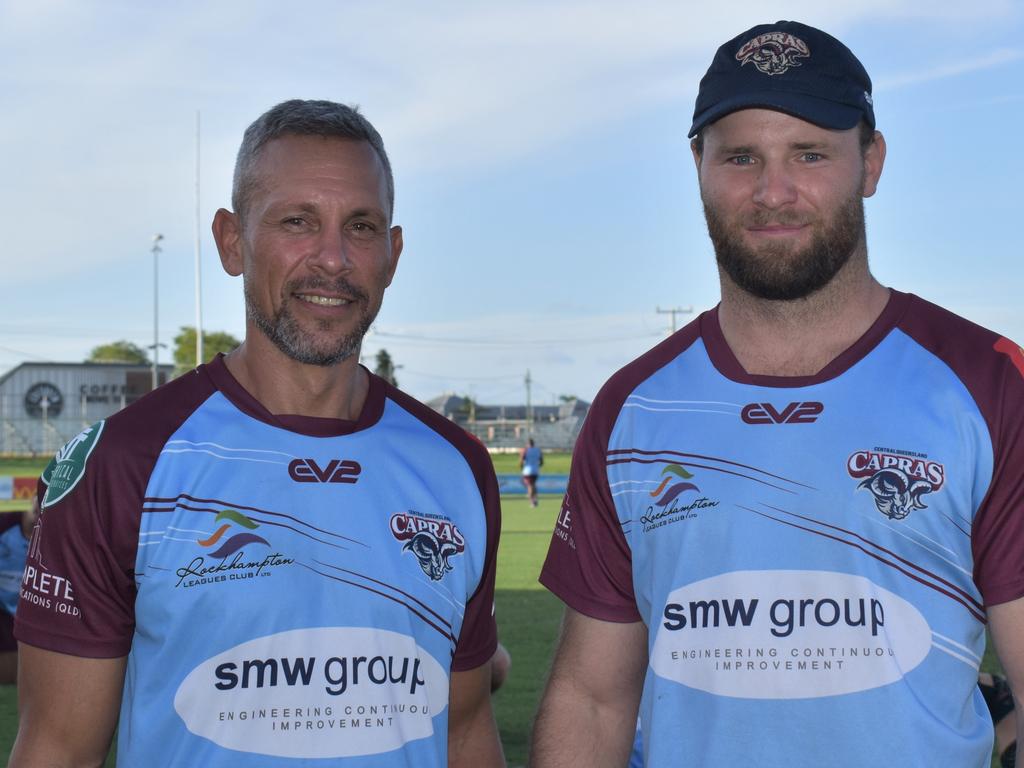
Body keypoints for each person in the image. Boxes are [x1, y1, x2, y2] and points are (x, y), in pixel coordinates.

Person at [532, 21, 1024, 768]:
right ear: (697, 164)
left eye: (810, 153)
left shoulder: (987, 385)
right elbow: (593, 701)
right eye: (740, 157)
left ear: (871, 162)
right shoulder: (635, 406)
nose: (773, 191)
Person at [10, 100, 504, 768]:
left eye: (360, 226)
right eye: (297, 221)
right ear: (231, 241)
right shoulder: (124, 464)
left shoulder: (456, 468)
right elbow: (56, 751)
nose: (333, 259)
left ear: (392, 254)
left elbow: (466, 734)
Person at [520, 438, 544, 507]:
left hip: (527, 471)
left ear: (528, 444)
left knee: (529, 485)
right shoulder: (538, 450)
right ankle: (535, 499)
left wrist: (522, 467)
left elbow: (522, 459)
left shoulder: (526, 450)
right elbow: (541, 462)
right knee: (533, 484)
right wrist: (537, 466)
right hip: (535, 470)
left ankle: (532, 501)